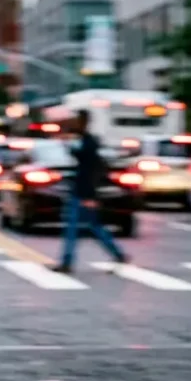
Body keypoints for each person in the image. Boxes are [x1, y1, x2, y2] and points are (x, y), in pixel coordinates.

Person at [55, 109, 128, 273]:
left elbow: (90, 170)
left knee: (73, 228)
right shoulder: (86, 141)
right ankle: (118, 254)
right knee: (93, 226)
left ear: (83, 122)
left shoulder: (89, 142)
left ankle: (67, 262)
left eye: (77, 120)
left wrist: (90, 195)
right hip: (82, 190)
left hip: (82, 192)